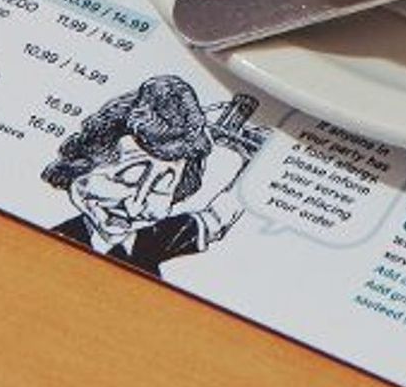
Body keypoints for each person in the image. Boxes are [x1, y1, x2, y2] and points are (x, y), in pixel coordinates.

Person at [40, 74, 251, 277]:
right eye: (126, 179)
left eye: (160, 188)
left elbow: (217, 219)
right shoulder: (50, 241)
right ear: (82, 165)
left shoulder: (154, 239)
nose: (135, 206)